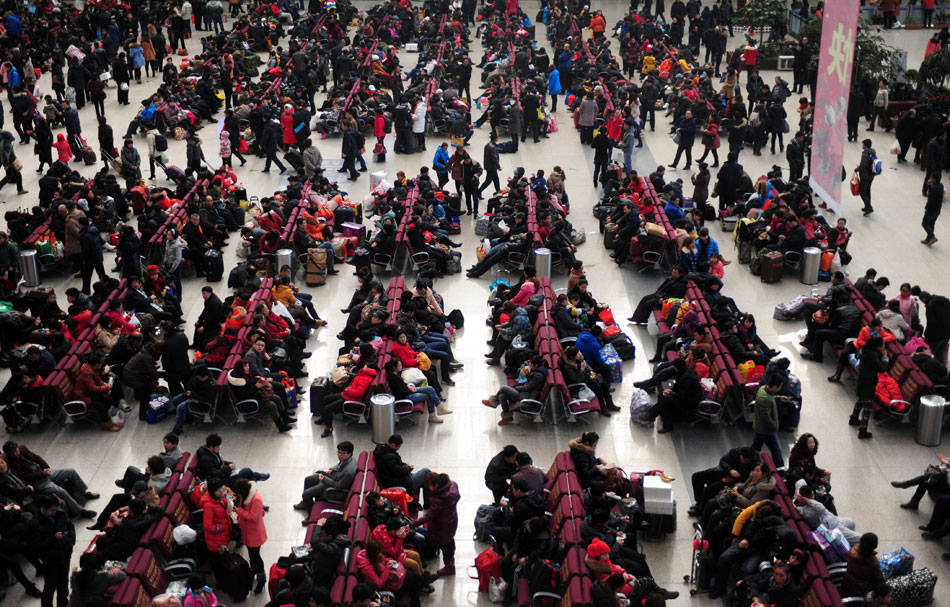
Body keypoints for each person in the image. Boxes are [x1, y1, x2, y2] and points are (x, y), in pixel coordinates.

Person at [1, 441, 97, 519]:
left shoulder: (23, 449)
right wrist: (42, 474)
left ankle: (84, 492)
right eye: (13, 453)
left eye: (16, 451)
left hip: (44, 473)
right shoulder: (11, 463)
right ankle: (80, 510)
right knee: (61, 491)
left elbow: (37, 458)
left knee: (71, 471)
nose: (16, 453)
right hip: (38, 482)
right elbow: (26, 477)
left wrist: (46, 468)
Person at [411, 472, 460, 576]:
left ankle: (449, 568)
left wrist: (412, 524)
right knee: (449, 542)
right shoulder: (452, 485)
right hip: (451, 520)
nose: (429, 489)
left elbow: (429, 516)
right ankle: (450, 564)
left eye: (429, 487)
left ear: (435, 485)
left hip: (441, 526)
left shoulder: (439, 499)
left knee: (445, 545)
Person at [688, 447, 759, 516]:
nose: (743, 461)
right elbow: (723, 461)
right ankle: (699, 502)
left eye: (746, 460)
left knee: (709, 489)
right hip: (724, 471)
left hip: (734, 481)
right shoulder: (735, 452)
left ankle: (701, 509)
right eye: (742, 458)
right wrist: (730, 470)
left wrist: (734, 480)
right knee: (696, 477)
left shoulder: (755, 464)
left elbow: (748, 479)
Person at [34, 493, 76, 607]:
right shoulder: (36, 523)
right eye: (51, 510)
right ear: (43, 508)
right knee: (50, 587)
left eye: (55, 509)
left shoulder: (60, 513)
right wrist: (53, 538)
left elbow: (70, 527)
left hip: (64, 554)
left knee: (63, 584)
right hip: (51, 560)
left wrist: (70, 542)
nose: (54, 512)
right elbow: (37, 547)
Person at [294, 441, 357, 511]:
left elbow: (339, 486)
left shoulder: (348, 471)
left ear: (350, 453)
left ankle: (310, 517)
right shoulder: (347, 459)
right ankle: (305, 503)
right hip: (332, 478)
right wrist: (332, 470)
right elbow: (339, 465)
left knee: (306, 494)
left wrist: (324, 479)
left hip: (331, 486)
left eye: (343, 453)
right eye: (339, 452)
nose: (340, 455)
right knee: (308, 479)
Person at [232, 477, 268, 594]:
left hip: (254, 533)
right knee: (252, 555)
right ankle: (253, 571)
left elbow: (254, 517)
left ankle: (261, 579)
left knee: (256, 557)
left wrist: (238, 511)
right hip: (247, 531)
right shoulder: (245, 496)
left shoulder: (256, 499)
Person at [850, 336, 889, 439]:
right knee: (868, 406)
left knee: (861, 400)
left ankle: (854, 418)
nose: (883, 347)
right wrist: (885, 358)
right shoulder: (872, 355)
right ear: (877, 346)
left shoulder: (864, 350)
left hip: (861, 379)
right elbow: (881, 369)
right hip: (869, 382)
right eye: (882, 346)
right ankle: (863, 430)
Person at [751, 377, 785, 467]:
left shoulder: (763, 389)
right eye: (779, 387)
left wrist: (778, 398)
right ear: (774, 386)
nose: (780, 388)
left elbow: (770, 398)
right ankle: (780, 468)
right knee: (776, 449)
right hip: (766, 430)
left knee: (756, 446)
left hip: (758, 426)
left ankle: (750, 460)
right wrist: (774, 427)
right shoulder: (765, 399)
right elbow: (766, 418)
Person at [842, 533, 885, 598]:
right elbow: (879, 581)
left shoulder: (853, 550)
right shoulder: (872, 562)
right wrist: (883, 577)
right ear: (875, 546)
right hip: (860, 591)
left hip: (847, 584)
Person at [922, 172, 944, 246]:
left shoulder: (933, 188)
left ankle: (932, 236)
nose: (930, 178)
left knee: (924, 223)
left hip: (931, 210)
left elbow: (930, 200)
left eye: (931, 178)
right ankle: (928, 239)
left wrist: (926, 208)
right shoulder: (941, 186)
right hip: (937, 210)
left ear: (934, 179)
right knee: (931, 223)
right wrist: (929, 185)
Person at [856, 138, 876, 216]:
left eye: (863, 144)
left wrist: (857, 169)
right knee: (867, 190)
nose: (862, 145)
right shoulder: (872, 152)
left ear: (866, 145)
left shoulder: (865, 154)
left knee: (862, 191)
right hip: (871, 175)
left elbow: (863, 165)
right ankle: (867, 206)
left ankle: (869, 207)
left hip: (865, 176)